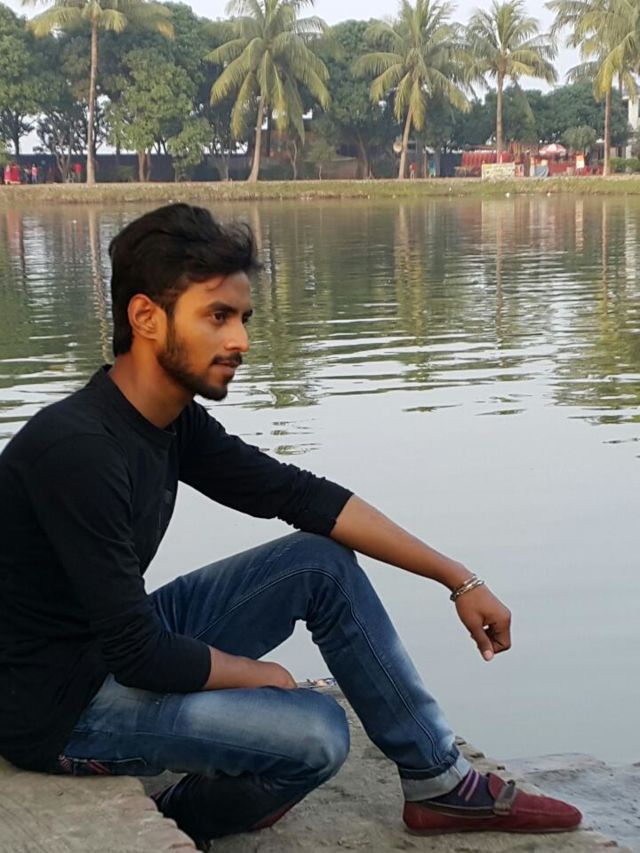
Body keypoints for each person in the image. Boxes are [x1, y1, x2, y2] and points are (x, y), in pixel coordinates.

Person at [0, 204, 581, 845]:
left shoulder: (170, 422)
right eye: (217, 317)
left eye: (242, 319)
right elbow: (139, 653)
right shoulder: (79, 450)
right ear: (146, 317)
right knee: (316, 734)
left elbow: (299, 496)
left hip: (107, 650)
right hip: (58, 708)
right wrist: (258, 675)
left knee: (317, 561)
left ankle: (438, 783)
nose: (240, 341)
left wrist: (458, 579)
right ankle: (187, 813)